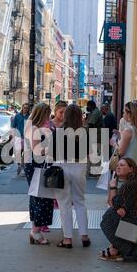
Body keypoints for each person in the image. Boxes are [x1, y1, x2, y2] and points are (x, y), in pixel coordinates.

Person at [51, 104, 91, 249]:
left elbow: (52, 153)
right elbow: (89, 153)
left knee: (64, 204)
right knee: (80, 202)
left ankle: (67, 239)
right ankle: (84, 236)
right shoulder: (84, 132)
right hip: (79, 167)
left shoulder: (59, 131)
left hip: (62, 167)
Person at [100, 158, 137, 262]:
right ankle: (116, 248)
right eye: (118, 165)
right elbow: (118, 205)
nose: (118, 167)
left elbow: (112, 203)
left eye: (122, 165)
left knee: (109, 217)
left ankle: (126, 251)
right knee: (113, 213)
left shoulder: (132, 184)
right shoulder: (135, 182)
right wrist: (119, 207)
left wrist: (113, 187)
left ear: (131, 169)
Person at [24, 103, 54, 245]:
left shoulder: (31, 126)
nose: (48, 118)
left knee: (36, 197)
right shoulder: (35, 128)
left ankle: (35, 229)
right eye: (47, 115)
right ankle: (35, 231)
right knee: (43, 197)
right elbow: (37, 150)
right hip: (36, 165)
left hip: (33, 165)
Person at [118, 101, 137, 169]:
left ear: (129, 114)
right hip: (134, 166)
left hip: (125, 168)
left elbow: (121, 152)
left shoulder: (128, 131)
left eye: (124, 112)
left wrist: (114, 144)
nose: (123, 114)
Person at [85, 100, 104, 176]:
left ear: (92, 106)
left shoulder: (95, 112)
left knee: (95, 154)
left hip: (96, 136)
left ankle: (96, 172)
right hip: (95, 136)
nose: (87, 107)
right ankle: (93, 171)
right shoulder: (94, 112)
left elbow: (91, 125)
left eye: (88, 106)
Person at [12, 103, 30, 175]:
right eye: (25, 107)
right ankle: (19, 165)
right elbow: (13, 127)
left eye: (27, 108)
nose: (26, 109)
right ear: (22, 108)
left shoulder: (30, 117)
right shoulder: (17, 116)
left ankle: (22, 166)